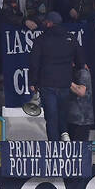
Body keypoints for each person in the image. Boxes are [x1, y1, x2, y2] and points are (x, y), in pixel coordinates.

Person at [28, 12, 81, 141]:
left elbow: (34, 63)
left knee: (51, 117)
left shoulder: (41, 40)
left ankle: (54, 147)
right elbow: (80, 60)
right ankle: (64, 134)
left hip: (47, 83)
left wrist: (33, 82)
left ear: (49, 23)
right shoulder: (71, 38)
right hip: (65, 82)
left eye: (46, 22)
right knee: (62, 113)